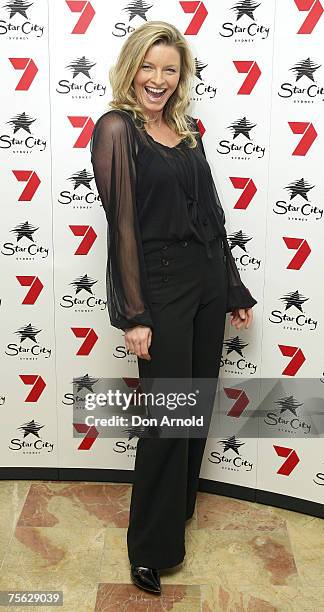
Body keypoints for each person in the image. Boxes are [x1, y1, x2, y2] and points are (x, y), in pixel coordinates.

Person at [90, 21, 257, 596]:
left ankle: (176, 517)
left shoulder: (186, 132)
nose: (158, 80)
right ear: (131, 67)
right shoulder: (117, 128)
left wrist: (231, 286)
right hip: (158, 286)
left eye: (170, 69)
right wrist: (134, 313)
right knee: (166, 418)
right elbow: (124, 227)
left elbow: (211, 216)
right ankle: (150, 548)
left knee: (196, 405)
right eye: (149, 67)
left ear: (180, 75)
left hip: (206, 280)